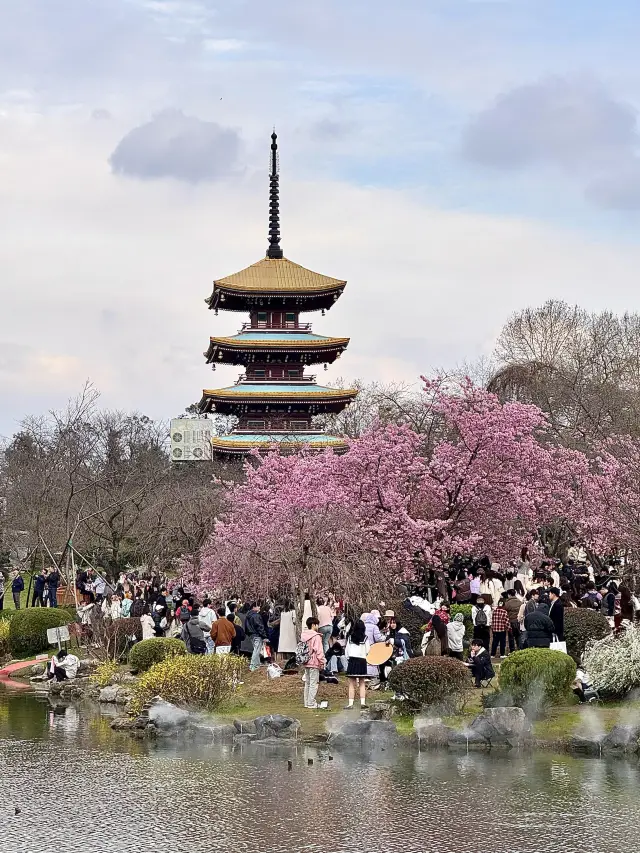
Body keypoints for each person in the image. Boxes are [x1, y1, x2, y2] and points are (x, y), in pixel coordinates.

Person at [300, 616, 326, 709]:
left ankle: (307, 702)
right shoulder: (316, 636)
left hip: (306, 661)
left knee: (307, 683)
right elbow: (319, 651)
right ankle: (311, 703)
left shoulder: (304, 635)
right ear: (313, 625)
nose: (318, 626)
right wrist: (322, 661)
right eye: (317, 624)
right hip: (314, 662)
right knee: (313, 684)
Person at [345, 618, 368, 709]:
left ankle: (350, 703)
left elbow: (347, 651)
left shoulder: (350, 638)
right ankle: (363, 703)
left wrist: (349, 659)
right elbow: (368, 650)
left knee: (351, 683)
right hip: (362, 661)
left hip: (352, 661)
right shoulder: (365, 638)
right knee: (362, 682)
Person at [246, 602, 268, 671]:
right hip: (257, 635)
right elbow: (260, 626)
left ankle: (257, 665)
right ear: (254, 607)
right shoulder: (256, 616)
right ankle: (253, 665)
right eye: (258, 606)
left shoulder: (248, 615)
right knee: (256, 650)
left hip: (251, 635)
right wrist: (264, 636)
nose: (259, 608)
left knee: (256, 649)